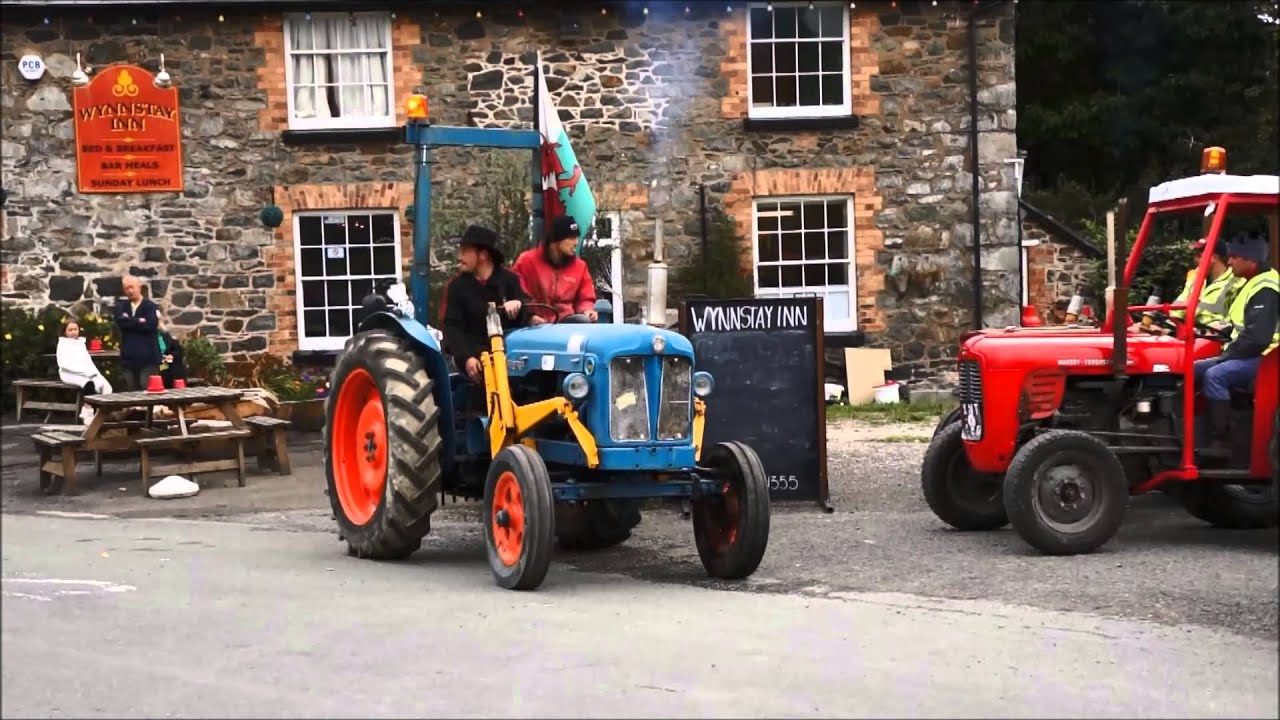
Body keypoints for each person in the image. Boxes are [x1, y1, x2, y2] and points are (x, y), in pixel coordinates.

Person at [1191, 233, 1279, 457]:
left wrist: (1226, 356)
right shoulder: (1251, 283)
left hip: (1266, 358)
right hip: (1249, 352)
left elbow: (1258, 339)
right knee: (1191, 369)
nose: (1229, 262)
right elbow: (1241, 325)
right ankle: (1189, 435)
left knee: (1216, 375)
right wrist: (1219, 331)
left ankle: (1221, 441)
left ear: (1252, 260)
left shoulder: (1266, 289)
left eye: (1235, 257)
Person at [441, 225, 530, 403]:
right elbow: (453, 329)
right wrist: (467, 357)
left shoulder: (510, 281)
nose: (459, 257)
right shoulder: (457, 287)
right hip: (475, 357)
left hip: (510, 357)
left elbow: (528, 314)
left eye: (465, 252)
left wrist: (518, 305)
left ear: (483, 255)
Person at [511, 215, 598, 325]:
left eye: (576, 238)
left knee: (583, 321)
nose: (576, 242)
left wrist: (587, 310)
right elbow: (515, 294)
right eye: (571, 238)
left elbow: (585, 297)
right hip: (532, 322)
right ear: (555, 240)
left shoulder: (580, 266)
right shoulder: (527, 261)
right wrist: (529, 317)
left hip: (565, 322)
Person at [1167, 237, 1241, 328]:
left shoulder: (1236, 283)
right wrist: (1169, 325)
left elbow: (1236, 321)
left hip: (1215, 337)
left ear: (1214, 257)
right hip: (1189, 333)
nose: (1195, 260)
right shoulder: (1195, 277)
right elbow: (1178, 309)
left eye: (1199, 256)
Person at [56, 319, 113, 424]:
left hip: (86, 371)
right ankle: (87, 411)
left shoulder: (81, 343)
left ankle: (101, 412)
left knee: (104, 385)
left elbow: (86, 361)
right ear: (65, 332)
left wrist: (92, 373)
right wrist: (82, 372)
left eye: (75, 329)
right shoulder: (63, 344)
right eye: (70, 330)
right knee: (89, 384)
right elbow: (64, 362)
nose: (73, 332)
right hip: (69, 373)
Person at [114, 274, 162, 391]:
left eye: (132, 287)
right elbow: (121, 322)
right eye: (126, 288)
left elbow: (150, 325)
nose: (130, 291)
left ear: (139, 287)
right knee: (129, 391)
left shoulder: (150, 306)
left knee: (147, 390)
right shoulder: (122, 307)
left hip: (148, 358)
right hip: (129, 358)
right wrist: (139, 320)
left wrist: (129, 320)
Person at [157, 324, 187, 389]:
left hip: (167, 363)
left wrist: (172, 355)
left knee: (177, 369)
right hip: (156, 364)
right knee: (163, 371)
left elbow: (178, 350)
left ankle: (179, 390)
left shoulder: (165, 335)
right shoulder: (148, 336)